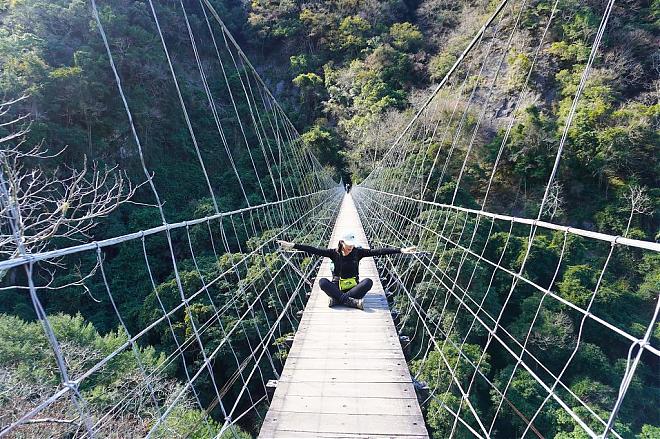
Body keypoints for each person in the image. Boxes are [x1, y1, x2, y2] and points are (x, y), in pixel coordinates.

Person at [277, 232, 416, 310]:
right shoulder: (333, 253)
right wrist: (293, 245)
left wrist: (401, 250)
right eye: (348, 246)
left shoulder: (358, 252)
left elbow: (378, 251)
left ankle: (338, 300)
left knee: (368, 282)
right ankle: (351, 302)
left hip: (353, 286)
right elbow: (313, 249)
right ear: (341, 242)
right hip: (337, 285)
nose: (350, 249)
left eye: (352, 246)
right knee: (323, 282)